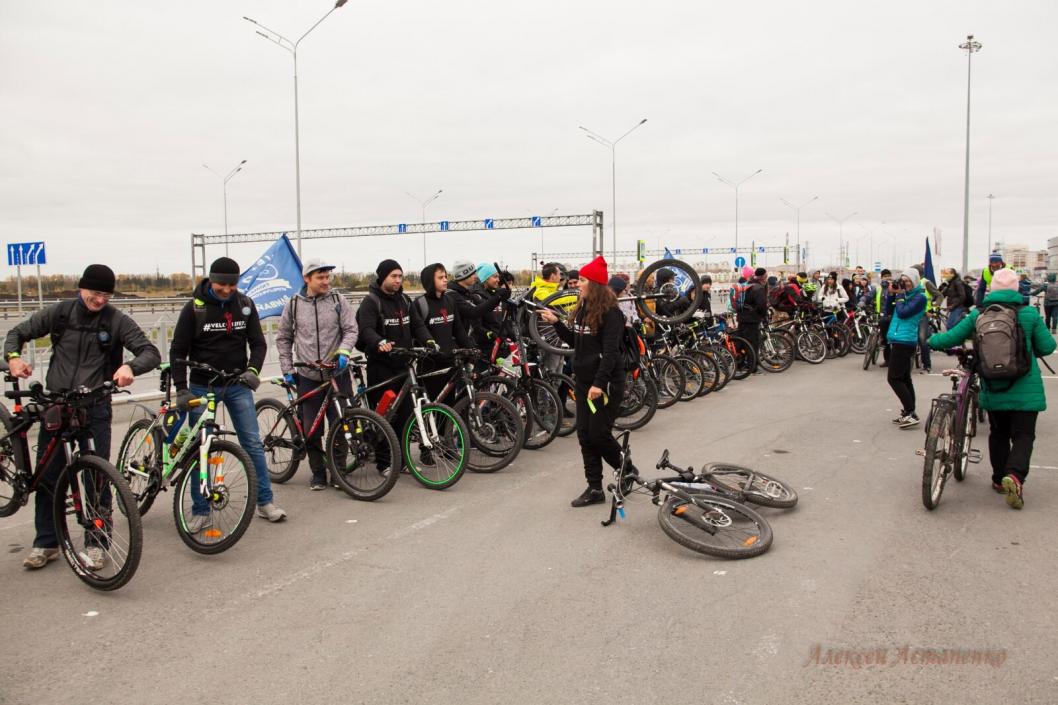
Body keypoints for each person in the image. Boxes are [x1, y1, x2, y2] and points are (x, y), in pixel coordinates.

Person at [4, 264, 160, 570]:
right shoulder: (60, 313)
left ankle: (97, 543)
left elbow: (150, 352)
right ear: (81, 289)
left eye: (106, 294)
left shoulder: (117, 321)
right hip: (56, 405)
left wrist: (130, 367)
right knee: (50, 476)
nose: (100, 299)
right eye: (94, 293)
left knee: (96, 477)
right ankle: (46, 542)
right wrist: (14, 358)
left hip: (94, 407)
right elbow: (17, 333)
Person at [170, 257, 287, 523]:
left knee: (253, 444)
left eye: (232, 284)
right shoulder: (194, 309)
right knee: (201, 447)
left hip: (237, 386)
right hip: (201, 387)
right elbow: (178, 350)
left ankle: (265, 502)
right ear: (211, 280)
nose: (227, 289)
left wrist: (253, 371)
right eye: (222, 284)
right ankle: (200, 510)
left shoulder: (245, 305)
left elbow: (258, 344)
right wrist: (180, 388)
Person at [928, 268, 1056, 509]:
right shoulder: (1028, 314)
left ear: (990, 290)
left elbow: (949, 337)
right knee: (1023, 435)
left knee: (998, 433)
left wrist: (930, 341)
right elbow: (1049, 346)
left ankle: (999, 479)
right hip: (1026, 387)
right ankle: (1015, 475)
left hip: (993, 385)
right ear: (1017, 289)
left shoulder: (978, 314)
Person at [536, 257, 632, 507]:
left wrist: (599, 384)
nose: (578, 284)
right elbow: (575, 341)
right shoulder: (582, 309)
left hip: (605, 383)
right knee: (584, 435)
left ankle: (627, 468)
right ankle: (594, 488)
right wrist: (557, 324)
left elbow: (610, 353)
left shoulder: (612, 314)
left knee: (599, 435)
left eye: (584, 280)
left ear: (597, 285)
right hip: (584, 380)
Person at [277, 257, 359, 491]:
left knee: (341, 425)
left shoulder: (337, 300)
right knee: (311, 428)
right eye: (320, 278)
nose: (326, 281)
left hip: (337, 374)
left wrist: (344, 351)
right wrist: (287, 369)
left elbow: (351, 329)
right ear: (307, 279)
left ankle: (339, 472)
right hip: (308, 376)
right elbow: (283, 338)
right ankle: (318, 473)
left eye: (327, 277)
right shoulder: (293, 304)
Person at [355, 260, 431, 467]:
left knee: (406, 416)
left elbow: (417, 325)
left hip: (403, 366)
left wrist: (429, 341)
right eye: (393, 276)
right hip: (381, 367)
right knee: (384, 418)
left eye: (400, 276)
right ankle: (384, 463)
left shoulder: (405, 300)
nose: (398, 280)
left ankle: (403, 461)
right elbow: (366, 330)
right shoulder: (371, 302)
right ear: (382, 277)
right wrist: (379, 342)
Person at [412, 262, 471, 399]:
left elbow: (458, 330)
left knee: (450, 407)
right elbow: (417, 330)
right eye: (440, 277)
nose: (445, 280)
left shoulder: (450, 301)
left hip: (450, 363)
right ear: (430, 281)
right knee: (433, 410)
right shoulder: (420, 304)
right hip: (430, 366)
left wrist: (470, 349)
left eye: (445, 276)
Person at [885, 268, 927, 428]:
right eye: (903, 280)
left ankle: (910, 411)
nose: (905, 283)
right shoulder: (906, 296)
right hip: (898, 338)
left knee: (894, 378)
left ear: (915, 281)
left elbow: (903, 313)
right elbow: (889, 310)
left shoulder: (919, 297)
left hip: (905, 340)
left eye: (908, 280)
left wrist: (900, 295)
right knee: (904, 378)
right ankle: (909, 412)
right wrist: (891, 295)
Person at [447, 260, 509, 351]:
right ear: (464, 275)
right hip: (455, 345)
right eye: (473, 274)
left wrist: (502, 298)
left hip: (465, 343)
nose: (476, 276)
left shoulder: (466, 293)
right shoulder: (453, 294)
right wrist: (497, 297)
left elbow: (483, 307)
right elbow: (473, 312)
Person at [735, 267, 769, 364]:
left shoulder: (746, 285)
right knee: (752, 343)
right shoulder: (758, 288)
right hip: (752, 320)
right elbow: (761, 305)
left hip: (741, 318)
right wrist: (763, 316)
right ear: (763, 277)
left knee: (741, 342)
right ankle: (752, 366)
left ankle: (740, 364)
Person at [874, 269, 896, 367]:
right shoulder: (878, 288)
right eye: (885, 276)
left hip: (895, 315)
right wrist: (863, 300)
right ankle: (887, 360)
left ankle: (897, 360)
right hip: (883, 315)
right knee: (886, 339)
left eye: (888, 275)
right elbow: (869, 296)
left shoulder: (895, 286)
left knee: (895, 339)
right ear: (881, 277)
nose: (887, 278)